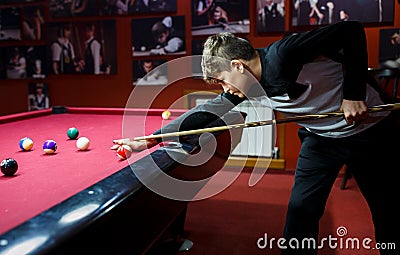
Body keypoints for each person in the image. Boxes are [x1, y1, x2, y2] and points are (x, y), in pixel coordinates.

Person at [114, 20, 399, 255]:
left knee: (386, 208)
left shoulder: (285, 53)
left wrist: (353, 94)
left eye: (224, 80)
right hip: (321, 138)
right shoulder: (245, 85)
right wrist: (152, 138)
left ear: (239, 65)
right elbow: (207, 112)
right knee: (301, 210)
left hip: (370, 134)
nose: (226, 89)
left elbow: (351, 31)